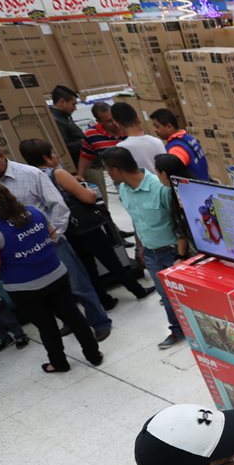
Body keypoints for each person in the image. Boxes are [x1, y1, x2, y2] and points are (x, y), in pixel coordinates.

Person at [0, 137, 112, 340]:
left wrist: (53, 237)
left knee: (78, 285)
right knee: (45, 292)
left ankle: (100, 322)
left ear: (0, 155)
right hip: (16, 251)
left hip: (49, 242)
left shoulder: (30, 174)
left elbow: (58, 207)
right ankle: (69, 322)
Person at [0, 177, 102, 373]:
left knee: (47, 326)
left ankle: (59, 363)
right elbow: (53, 236)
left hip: (24, 287)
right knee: (73, 316)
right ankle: (94, 355)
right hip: (55, 273)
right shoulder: (32, 211)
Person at [19, 138, 153, 307]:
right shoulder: (57, 173)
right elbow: (87, 197)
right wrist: (85, 188)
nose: (55, 156)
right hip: (84, 226)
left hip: (60, 229)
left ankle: (104, 301)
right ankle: (137, 290)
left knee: (87, 267)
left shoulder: (29, 177)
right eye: (52, 153)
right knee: (111, 260)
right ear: (46, 158)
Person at [100, 147, 188, 349]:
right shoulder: (124, 190)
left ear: (115, 170)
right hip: (150, 253)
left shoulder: (160, 188)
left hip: (172, 251)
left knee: (186, 295)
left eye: (107, 170)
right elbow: (137, 221)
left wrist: (181, 256)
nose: (108, 174)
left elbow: (180, 223)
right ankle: (177, 330)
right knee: (165, 295)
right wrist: (140, 247)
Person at [75, 101, 125, 211]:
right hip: (119, 180)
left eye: (114, 118)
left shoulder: (126, 126)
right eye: (109, 122)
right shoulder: (92, 134)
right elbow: (86, 155)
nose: (115, 124)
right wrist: (80, 175)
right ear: (99, 121)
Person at [150, 108, 212, 181]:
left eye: (157, 126)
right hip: (205, 182)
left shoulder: (176, 149)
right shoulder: (188, 137)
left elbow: (175, 176)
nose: (154, 130)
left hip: (193, 189)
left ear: (169, 127)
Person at [154, 153, 196, 257]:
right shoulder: (193, 186)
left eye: (157, 173)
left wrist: (181, 256)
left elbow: (181, 230)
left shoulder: (180, 197)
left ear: (163, 175)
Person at [111, 101, 167, 174]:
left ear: (117, 124)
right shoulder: (157, 141)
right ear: (137, 118)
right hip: (162, 184)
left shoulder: (120, 148)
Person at [49, 85, 84, 169]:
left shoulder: (64, 117)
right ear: (62, 101)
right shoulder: (56, 120)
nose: (75, 108)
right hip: (76, 165)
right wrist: (84, 142)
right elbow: (65, 147)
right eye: (73, 104)